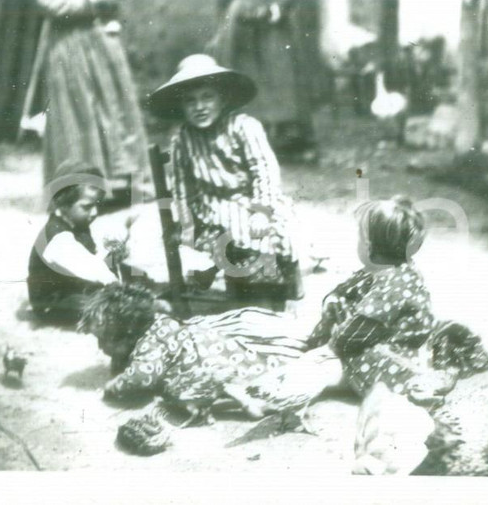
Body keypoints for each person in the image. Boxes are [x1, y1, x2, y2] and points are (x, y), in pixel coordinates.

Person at [147, 54, 303, 301]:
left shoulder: (243, 127)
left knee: (267, 231)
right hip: (209, 212)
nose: (199, 107)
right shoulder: (183, 140)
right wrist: (186, 222)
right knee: (227, 236)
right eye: (190, 101)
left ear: (222, 99)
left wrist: (262, 211)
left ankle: (270, 294)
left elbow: (264, 170)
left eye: (207, 97)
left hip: (252, 202)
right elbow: (180, 189)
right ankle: (243, 291)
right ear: (182, 107)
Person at [78, 282, 308, 422]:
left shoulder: (149, 348)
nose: (101, 348)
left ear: (128, 334)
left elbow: (141, 377)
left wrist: (113, 386)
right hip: (225, 350)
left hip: (223, 367)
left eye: (104, 340)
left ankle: (249, 400)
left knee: (176, 389)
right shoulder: (161, 322)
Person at [305, 196, 436, 396]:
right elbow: (348, 292)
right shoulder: (388, 269)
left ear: (369, 246)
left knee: (323, 364)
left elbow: (361, 327)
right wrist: (336, 301)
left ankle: (343, 380)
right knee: (341, 306)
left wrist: (329, 348)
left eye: (360, 237)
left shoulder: (394, 285)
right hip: (389, 344)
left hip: (393, 358)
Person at [36, 0, 152, 201]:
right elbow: (51, 3)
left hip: (101, 36)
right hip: (68, 38)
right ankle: (83, 187)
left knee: (115, 107)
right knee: (78, 112)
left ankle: (124, 181)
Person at [207, 0, 329, 163]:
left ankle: (288, 138)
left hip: (274, 24)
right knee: (245, 79)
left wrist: (277, 8)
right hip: (239, 26)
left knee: (282, 75)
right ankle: (246, 140)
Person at [27, 162, 119, 324]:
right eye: (87, 207)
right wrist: (119, 287)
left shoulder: (76, 222)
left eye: (97, 205)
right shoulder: (58, 238)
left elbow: (91, 258)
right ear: (63, 204)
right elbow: (93, 269)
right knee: (105, 305)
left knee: (119, 271)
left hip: (72, 284)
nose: (95, 213)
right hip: (54, 301)